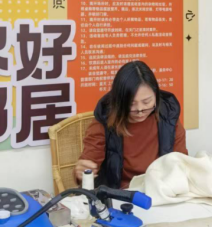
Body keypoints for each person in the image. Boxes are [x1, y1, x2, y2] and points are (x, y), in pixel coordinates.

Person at [75, 61, 187, 189]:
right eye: (131, 104)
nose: (140, 110)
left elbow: (180, 161)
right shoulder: (105, 122)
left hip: (161, 189)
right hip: (120, 194)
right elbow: (88, 165)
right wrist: (82, 171)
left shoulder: (168, 117)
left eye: (147, 102)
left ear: (156, 95)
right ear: (119, 102)